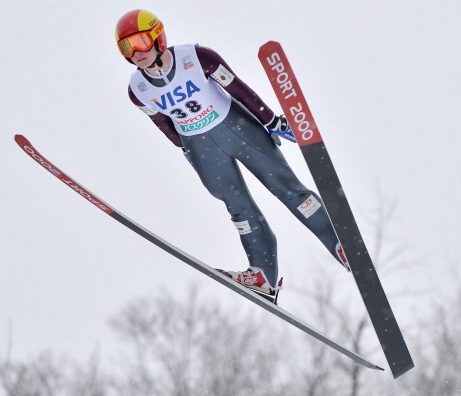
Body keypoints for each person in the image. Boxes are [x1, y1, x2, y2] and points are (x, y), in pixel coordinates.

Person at [115, 9, 349, 299]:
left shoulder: (197, 58)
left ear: (157, 37)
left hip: (237, 129)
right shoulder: (137, 90)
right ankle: (263, 276)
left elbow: (239, 89)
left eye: (139, 41)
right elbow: (162, 123)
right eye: (127, 47)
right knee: (239, 210)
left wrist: (270, 120)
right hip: (202, 148)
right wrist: (185, 150)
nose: (135, 52)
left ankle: (342, 245)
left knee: (286, 188)